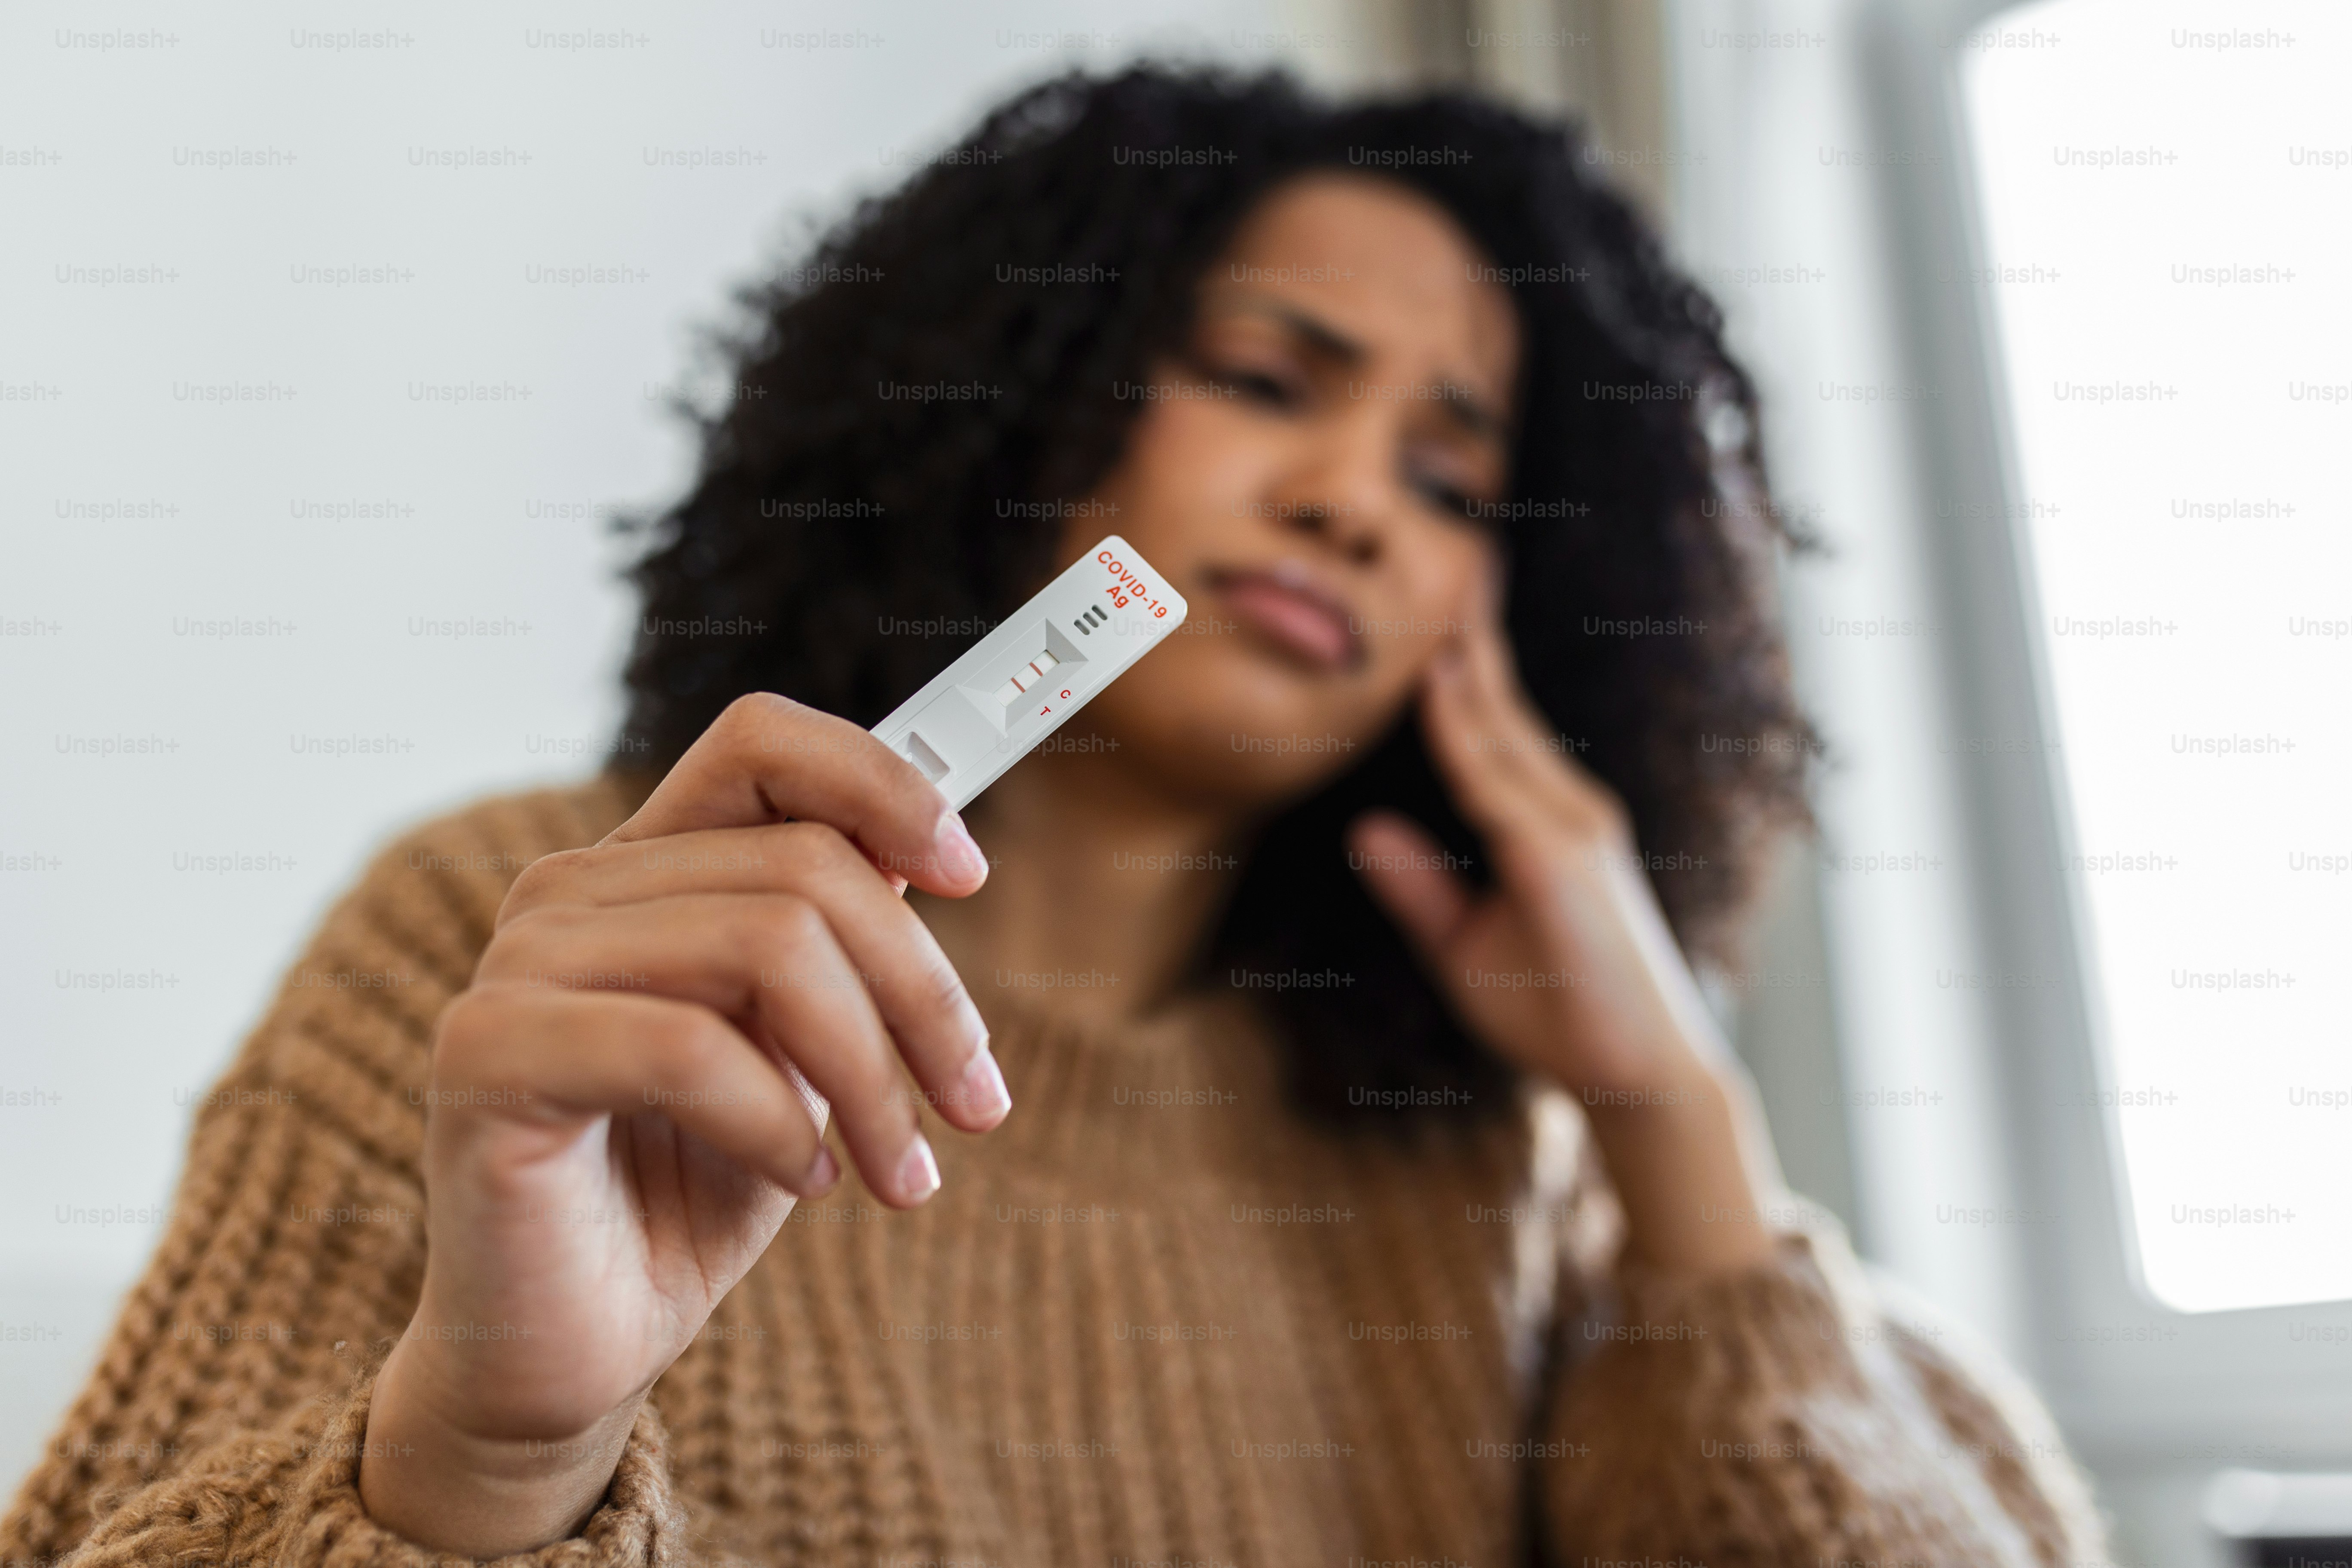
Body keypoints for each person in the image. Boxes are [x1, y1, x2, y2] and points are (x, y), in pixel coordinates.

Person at [2, 67, 2107, 1567]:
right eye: (1275, 380)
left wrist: (1671, 1107)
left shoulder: (1513, 1162)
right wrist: (489, 1453)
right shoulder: (523, 951)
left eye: (1456, 476)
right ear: (1013, 396)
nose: (1353, 498)